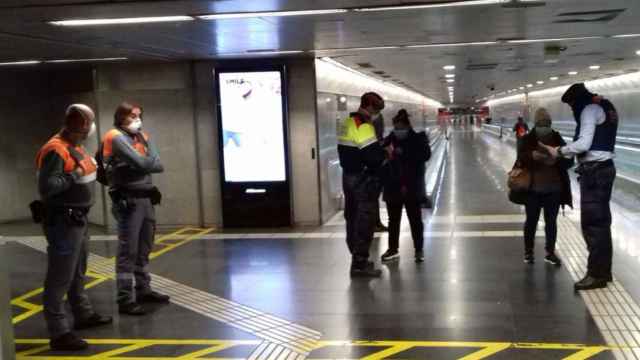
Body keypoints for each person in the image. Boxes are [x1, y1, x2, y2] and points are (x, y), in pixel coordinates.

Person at [35, 104, 112, 351]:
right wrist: (76, 174)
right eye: (90, 122)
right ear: (82, 126)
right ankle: (59, 332)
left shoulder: (74, 146)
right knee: (60, 277)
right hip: (63, 221)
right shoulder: (55, 149)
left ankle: (83, 314)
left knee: (77, 272)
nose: (92, 127)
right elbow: (47, 187)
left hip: (78, 218)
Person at [539, 83, 618, 290]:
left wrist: (559, 151)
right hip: (604, 168)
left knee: (593, 224)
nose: (573, 110)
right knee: (601, 224)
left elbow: (583, 144)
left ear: (576, 101)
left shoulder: (589, 110)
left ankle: (596, 275)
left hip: (595, 171)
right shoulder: (606, 106)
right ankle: (604, 271)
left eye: (573, 105)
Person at [101, 102, 168, 314]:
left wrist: (144, 162)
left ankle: (143, 289)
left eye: (139, 115)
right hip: (128, 201)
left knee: (144, 248)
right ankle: (124, 298)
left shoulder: (141, 137)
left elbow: (159, 165)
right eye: (131, 116)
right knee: (127, 251)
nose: (137, 119)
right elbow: (145, 164)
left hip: (146, 198)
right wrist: (145, 161)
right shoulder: (115, 137)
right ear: (120, 117)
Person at [338, 92, 388, 277]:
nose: (376, 114)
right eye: (376, 110)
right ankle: (359, 264)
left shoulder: (347, 122)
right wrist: (384, 153)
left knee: (351, 218)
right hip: (362, 179)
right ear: (369, 107)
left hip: (347, 177)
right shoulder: (363, 125)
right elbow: (373, 158)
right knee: (364, 221)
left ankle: (356, 258)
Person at [516, 108, 573, 266]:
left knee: (551, 222)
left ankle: (550, 252)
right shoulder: (528, 139)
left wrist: (556, 159)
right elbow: (520, 160)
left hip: (553, 189)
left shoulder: (557, 137)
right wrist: (532, 157)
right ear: (536, 123)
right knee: (531, 221)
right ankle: (529, 252)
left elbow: (569, 161)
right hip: (532, 189)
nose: (544, 126)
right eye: (541, 123)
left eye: (546, 123)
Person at [381, 109, 431, 263]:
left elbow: (425, 156)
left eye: (401, 128)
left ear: (408, 127)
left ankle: (419, 250)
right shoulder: (389, 140)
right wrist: (386, 152)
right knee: (393, 220)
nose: (398, 131)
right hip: (393, 186)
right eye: (396, 128)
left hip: (412, 186)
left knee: (415, 220)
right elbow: (380, 156)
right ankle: (392, 249)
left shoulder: (418, 139)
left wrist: (402, 153)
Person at [371, 112, 389, 232]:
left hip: (376, 172)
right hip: (371, 173)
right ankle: (374, 223)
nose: (382, 128)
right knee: (372, 198)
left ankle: (376, 223)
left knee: (374, 198)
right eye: (380, 125)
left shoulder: (379, 140)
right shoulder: (372, 141)